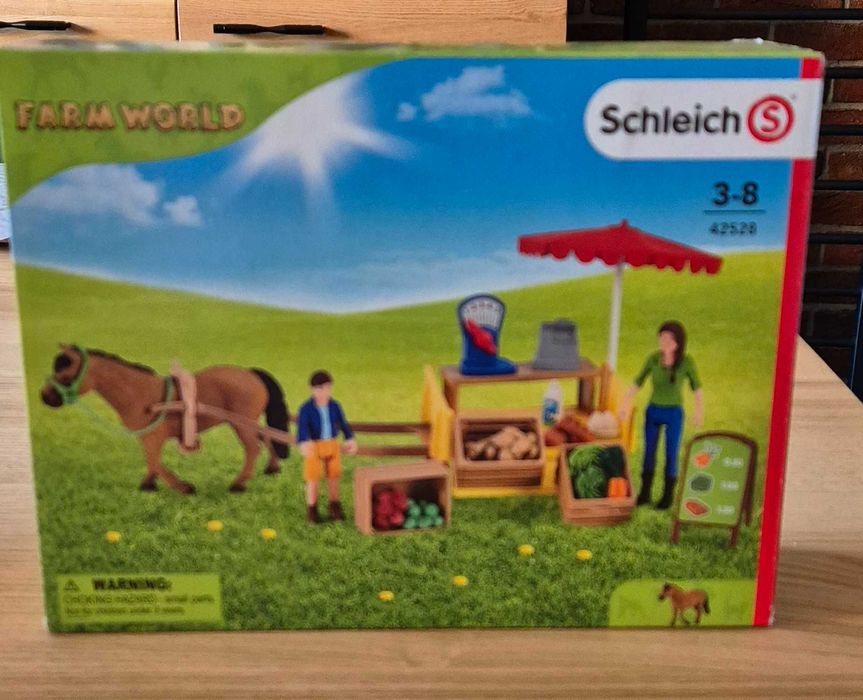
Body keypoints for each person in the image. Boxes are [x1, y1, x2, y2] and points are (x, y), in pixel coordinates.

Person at [619, 321, 703, 510]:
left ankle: (667, 496)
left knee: (671, 453)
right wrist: (625, 404)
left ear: (677, 342)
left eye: (668, 339)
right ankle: (645, 493)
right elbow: (637, 382)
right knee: (649, 452)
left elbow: (697, 388)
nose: (663, 342)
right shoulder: (654, 359)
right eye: (661, 338)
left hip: (674, 413)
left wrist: (698, 412)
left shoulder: (686, 362)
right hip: (654, 410)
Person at [297, 370, 358, 523]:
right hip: (314, 445)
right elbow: (302, 428)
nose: (324, 392)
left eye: (327, 388)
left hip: (332, 444)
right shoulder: (306, 409)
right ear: (312, 389)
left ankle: (334, 506)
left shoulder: (335, 406)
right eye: (320, 389)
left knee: (334, 476)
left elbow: (343, 424)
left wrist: (350, 438)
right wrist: (303, 442)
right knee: (313, 478)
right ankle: (312, 509)